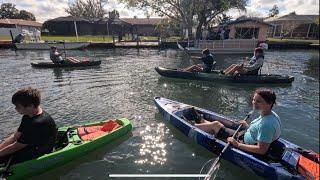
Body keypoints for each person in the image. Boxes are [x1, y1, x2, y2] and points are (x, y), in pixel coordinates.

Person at [195, 88, 281, 155]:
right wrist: (247, 126)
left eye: (258, 101)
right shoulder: (270, 114)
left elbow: (261, 150)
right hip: (244, 135)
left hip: (242, 142)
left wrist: (237, 145)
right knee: (216, 125)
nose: (254, 103)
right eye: (254, 100)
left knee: (216, 125)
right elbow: (259, 131)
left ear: (269, 103)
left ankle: (192, 125)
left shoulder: (266, 124)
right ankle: (202, 121)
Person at [0, 87, 57, 165]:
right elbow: (15, 136)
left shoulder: (37, 123)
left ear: (31, 105)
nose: (16, 109)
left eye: (18, 106)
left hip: (41, 149)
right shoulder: (28, 115)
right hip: (31, 143)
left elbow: (16, 147)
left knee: (4, 160)